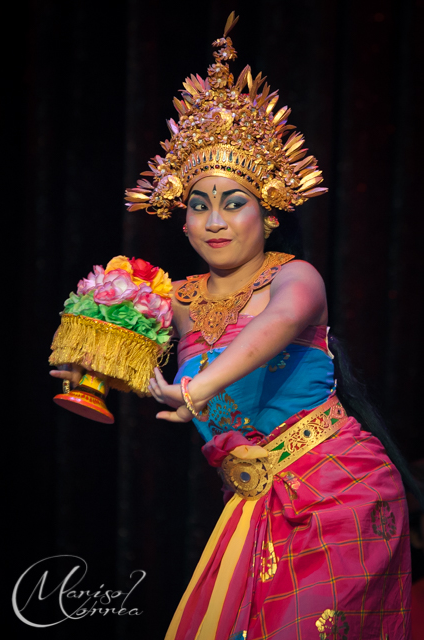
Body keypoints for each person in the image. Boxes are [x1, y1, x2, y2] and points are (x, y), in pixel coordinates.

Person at [51, 13, 412, 639]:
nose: (215, 220)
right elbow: (165, 387)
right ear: (182, 221)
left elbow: (267, 332)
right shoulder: (178, 300)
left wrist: (194, 387)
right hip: (250, 506)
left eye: (234, 202)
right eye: (198, 205)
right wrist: (97, 371)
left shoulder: (295, 279)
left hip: (341, 491)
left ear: (267, 216)